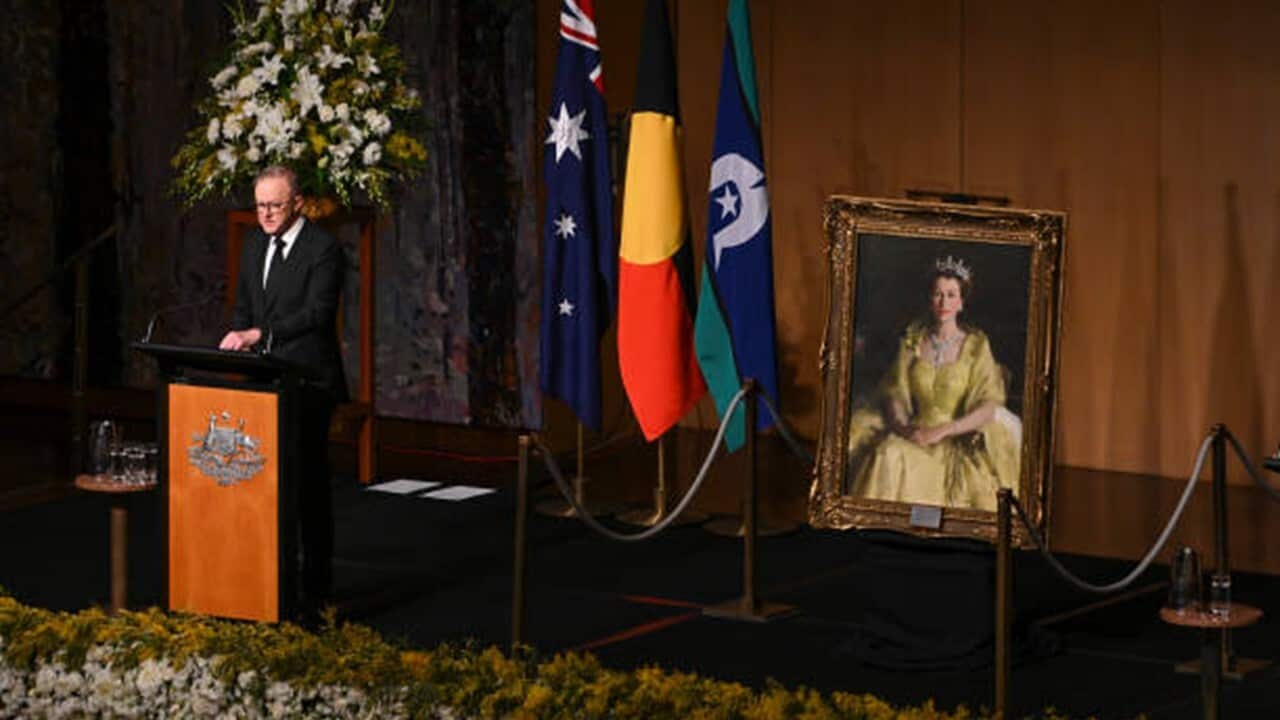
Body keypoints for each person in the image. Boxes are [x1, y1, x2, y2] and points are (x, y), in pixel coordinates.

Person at [220, 164, 347, 622]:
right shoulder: (254, 245)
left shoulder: (324, 249)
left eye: (275, 205)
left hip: (309, 381)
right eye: (260, 206)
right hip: (264, 382)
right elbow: (243, 307)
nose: (267, 214)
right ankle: (265, 583)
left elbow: (316, 314)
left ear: (296, 203)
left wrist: (260, 334)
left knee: (307, 488)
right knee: (262, 487)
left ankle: (316, 592)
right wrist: (240, 338)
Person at [844, 255, 1020, 512]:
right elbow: (895, 392)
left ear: (961, 302)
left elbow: (989, 405)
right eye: (938, 294)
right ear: (930, 298)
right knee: (887, 453)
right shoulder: (913, 340)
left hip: (956, 439)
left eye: (951, 295)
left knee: (975, 486)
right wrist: (905, 429)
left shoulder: (976, 346)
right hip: (916, 434)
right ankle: (880, 531)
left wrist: (946, 429)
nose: (943, 302)